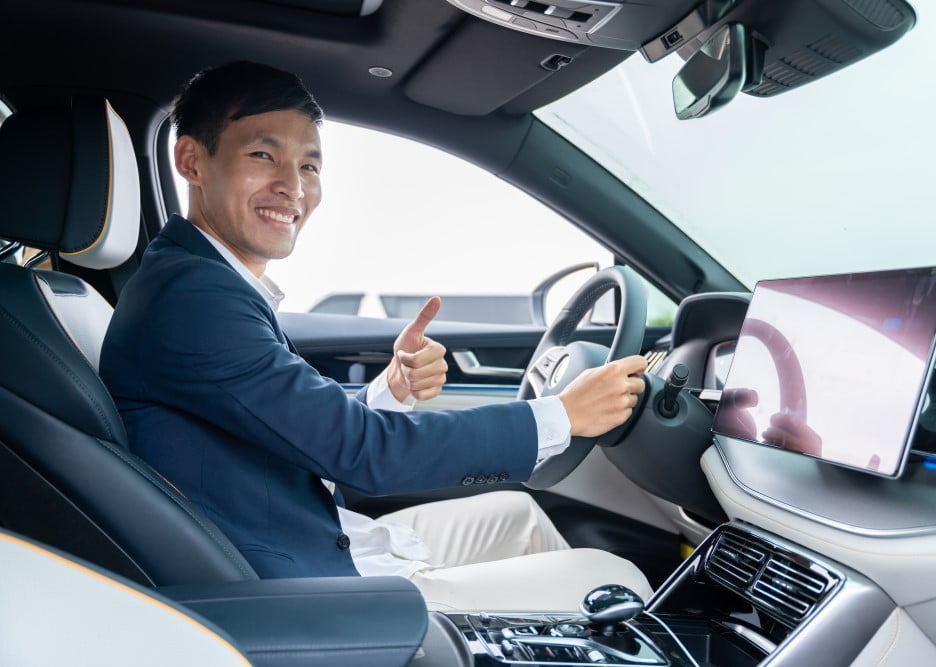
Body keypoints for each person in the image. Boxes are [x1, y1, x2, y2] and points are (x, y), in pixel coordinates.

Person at [100, 61, 653, 611]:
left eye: (310, 166)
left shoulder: (196, 279)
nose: (292, 188)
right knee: (612, 578)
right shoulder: (195, 299)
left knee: (518, 515)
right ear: (192, 160)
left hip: (306, 534)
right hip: (295, 588)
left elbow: (288, 420)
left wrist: (390, 389)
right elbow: (362, 451)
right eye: (262, 155)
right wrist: (564, 415)